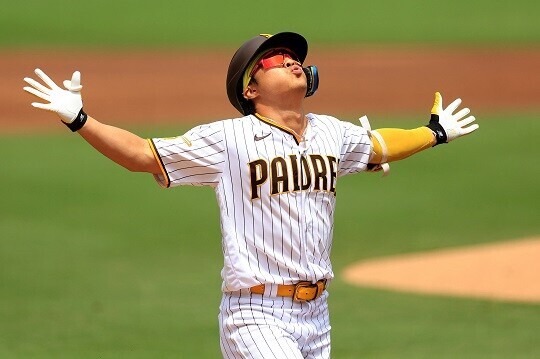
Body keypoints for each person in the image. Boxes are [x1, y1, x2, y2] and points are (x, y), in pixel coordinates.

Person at [23, 32, 478, 359]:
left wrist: (432, 132)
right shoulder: (227, 139)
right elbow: (144, 154)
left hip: (317, 316)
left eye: (294, 57)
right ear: (250, 87)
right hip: (256, 313)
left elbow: (380, 144)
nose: (290, 61)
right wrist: (80, 119)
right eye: (274, 59)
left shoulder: (330, 132)